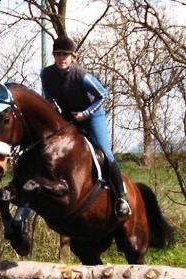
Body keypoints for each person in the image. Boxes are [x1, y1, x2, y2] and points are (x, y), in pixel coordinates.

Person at [40, 35, 131, 217]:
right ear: (53, 55)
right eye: (58, 54)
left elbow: (103, 95)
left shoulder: (82, 76)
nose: (62, 58)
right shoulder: (46, 74)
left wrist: (85, 114)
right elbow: (48, 96)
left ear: (73, 56)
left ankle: (122, 197)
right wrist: (52, 106)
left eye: (66, 55)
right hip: (68, 115)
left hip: (91, 115)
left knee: (105, 151)